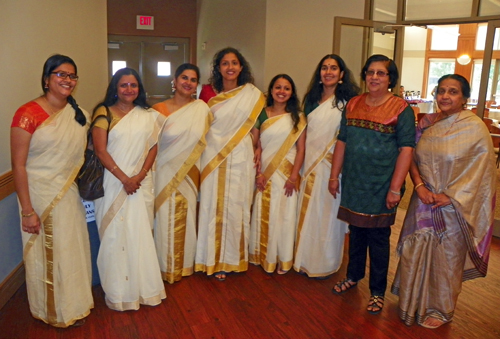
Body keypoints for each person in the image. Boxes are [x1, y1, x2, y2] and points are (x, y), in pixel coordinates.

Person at [391, 74, 495, 329]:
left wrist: (451, 195)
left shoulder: (474, 127)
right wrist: (419, 186)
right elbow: (411, 156)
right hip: (423, 198)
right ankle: (411, 298)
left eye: (453, 92)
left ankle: (441, 308)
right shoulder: (427, 123)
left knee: (446, 258)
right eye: (442, 91)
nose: (445, 97)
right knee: (416, 248)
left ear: (464, 98)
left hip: (454, 205)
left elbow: (481, 169)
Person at [328, 54, 415, 314]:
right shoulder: (353, 104)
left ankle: (377, 291)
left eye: (381, 73)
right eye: (370, 72)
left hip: (382, 185)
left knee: (378, 239)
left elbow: (406, 150)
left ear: (390, 79)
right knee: (355, 233)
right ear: (364, 75)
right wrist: (334, 176)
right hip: (354, 181)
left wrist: (395, 188)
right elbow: (342, 141)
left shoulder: (401, 109)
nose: (374, 77)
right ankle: (353, 276)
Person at [10, 54, 93, 327]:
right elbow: (19, 166)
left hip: (68, 195)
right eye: (61, 74)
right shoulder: (27, 114)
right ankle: (51, 311)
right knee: (46, 255)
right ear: (47, 79)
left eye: (72, 76)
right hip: (38, 197)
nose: (67, 80)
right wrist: (27, 211)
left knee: (71, 251)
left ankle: (74, 306)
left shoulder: (79, 115)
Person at [92, 68, 166, 311]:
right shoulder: (103, 112)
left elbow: (152, 147)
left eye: (133, 85)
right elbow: (100, 150)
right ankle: (118, 293)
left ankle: (143, 290)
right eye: (123, 85)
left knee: (140, 233)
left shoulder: (148, 115)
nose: (129, 89)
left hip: (139, 184)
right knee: (114, 237)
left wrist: (140, 175)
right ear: (115, 87)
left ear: (139, 88)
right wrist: (125, 178)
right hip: (113, 184)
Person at [195, 47, 265, 281]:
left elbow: (255, 126)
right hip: (213, 154)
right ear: (218, 68)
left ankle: (233, 259)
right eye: (225, 63)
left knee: (237, 205)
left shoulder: (252, 94)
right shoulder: (207, 94)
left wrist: (258, 146)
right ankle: (210, 258)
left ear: (241, 67)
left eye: (234, 63)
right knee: (211, 205)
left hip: (241, 155)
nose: (230, 67)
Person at [293, 54, 360, 279]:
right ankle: (303, 259)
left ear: (341, 74)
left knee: (328, 216)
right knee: (308, 214)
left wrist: (336, 171)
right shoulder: (311, 100)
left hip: (333, 169)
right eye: (324, 68)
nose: (328, 72)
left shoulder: (348, 103)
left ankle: (325, 263)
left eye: (333, 68)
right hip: (309, 166)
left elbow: (348, 138)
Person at [152, 63, 212, 284]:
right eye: (184, 78)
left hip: (189, 172)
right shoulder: (158, 109)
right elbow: (150, 145)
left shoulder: (202, 109)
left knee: (187, 217)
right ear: (174, 81)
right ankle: (163, 266)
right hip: (164, 171)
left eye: (193, 79)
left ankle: (185, 263)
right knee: (164, 219)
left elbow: (210, 142)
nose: (188, 82)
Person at [249, 74, 306, 274]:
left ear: (292, 93)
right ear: (271, 90)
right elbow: (255, 145)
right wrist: (258, 173)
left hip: (287, 174)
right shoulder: (262, 114)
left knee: (284, 215)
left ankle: (283, 258)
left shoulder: (298, 117)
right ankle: (262, 254)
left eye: (286, 88)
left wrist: (293, 177)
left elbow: (301, 150)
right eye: (278, 87)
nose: (282, 91)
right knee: (266, 212)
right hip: (265, 172)